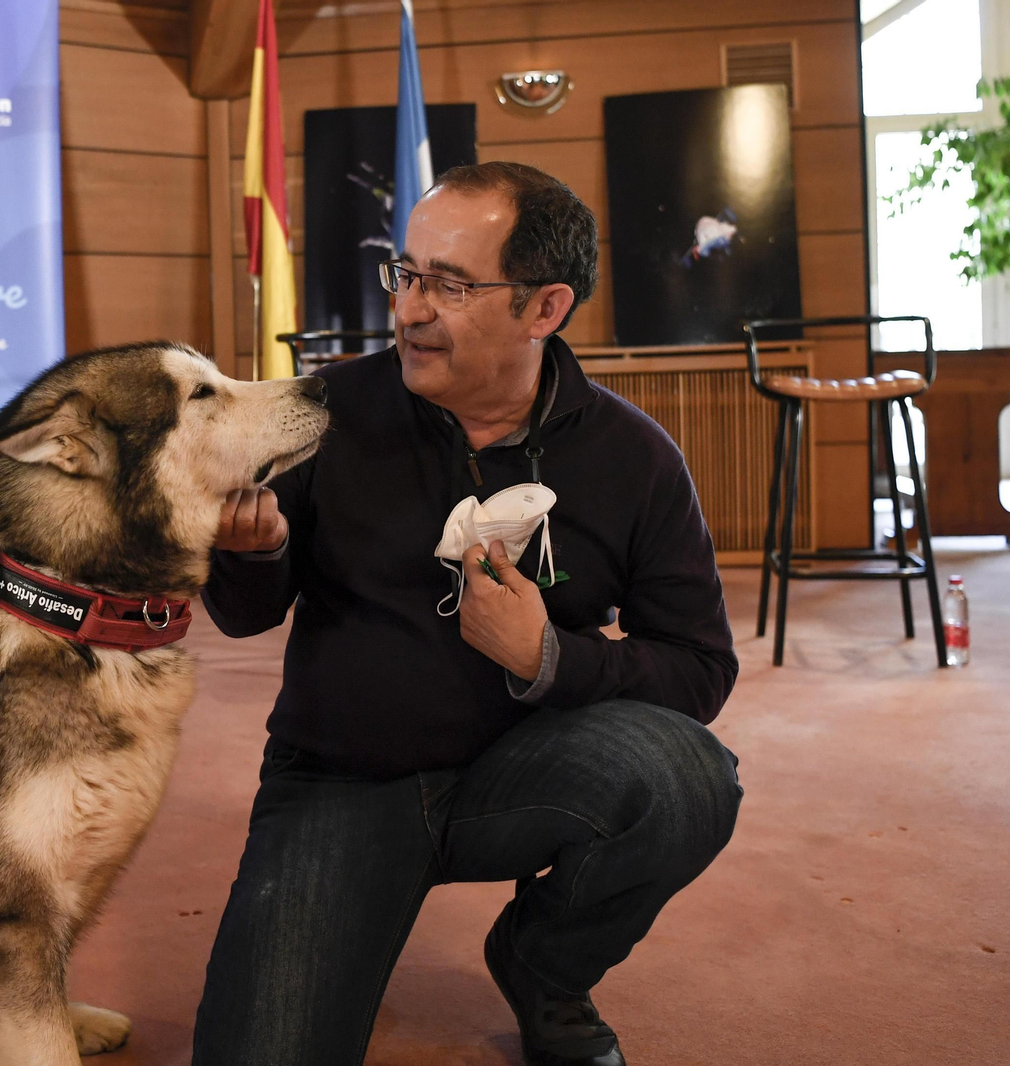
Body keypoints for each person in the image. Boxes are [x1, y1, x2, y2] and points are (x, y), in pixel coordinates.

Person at [192, 161, 743, 1066]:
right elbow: (248, 617)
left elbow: (699, 667)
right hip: (345, 778)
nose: (408, 310)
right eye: (406, 274)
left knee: (689, 779)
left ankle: (541, 967)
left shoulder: (635, 459)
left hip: (526, 770)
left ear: (544, 309)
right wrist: (252, 554)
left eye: (449, 285)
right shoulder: (325, 411)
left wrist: (549, 657)